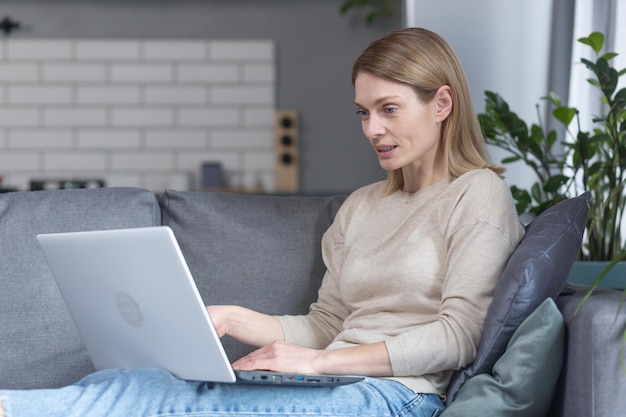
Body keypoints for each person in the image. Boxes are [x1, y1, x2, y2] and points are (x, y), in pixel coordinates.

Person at [0, 27, 525, 417]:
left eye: (388, 109)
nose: (373, 129)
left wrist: (320, 364)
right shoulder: (362, 206)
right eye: (363, 112)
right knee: (137, 381)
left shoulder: (477, 194)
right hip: (332, 383)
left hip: (399, 393)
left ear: (442, 104)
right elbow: (326, 324)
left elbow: (461, 336)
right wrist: (230, 319)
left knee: (172, 407)